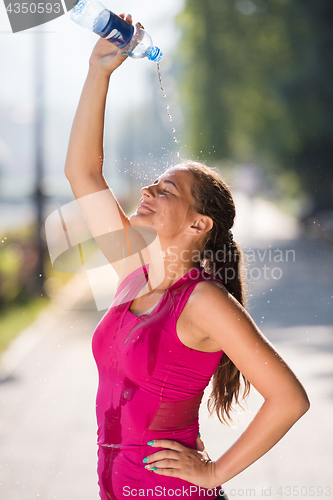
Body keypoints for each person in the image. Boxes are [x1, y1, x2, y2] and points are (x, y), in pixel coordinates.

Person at [64, 14, 310, 500]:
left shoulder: (202, 301)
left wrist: (214, 473)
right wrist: (98, 73)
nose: (151, 187)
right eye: (156, 182)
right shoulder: (134, 274)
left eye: (168, 188)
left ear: (200, 224)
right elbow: (84, 175)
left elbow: (289, 399)